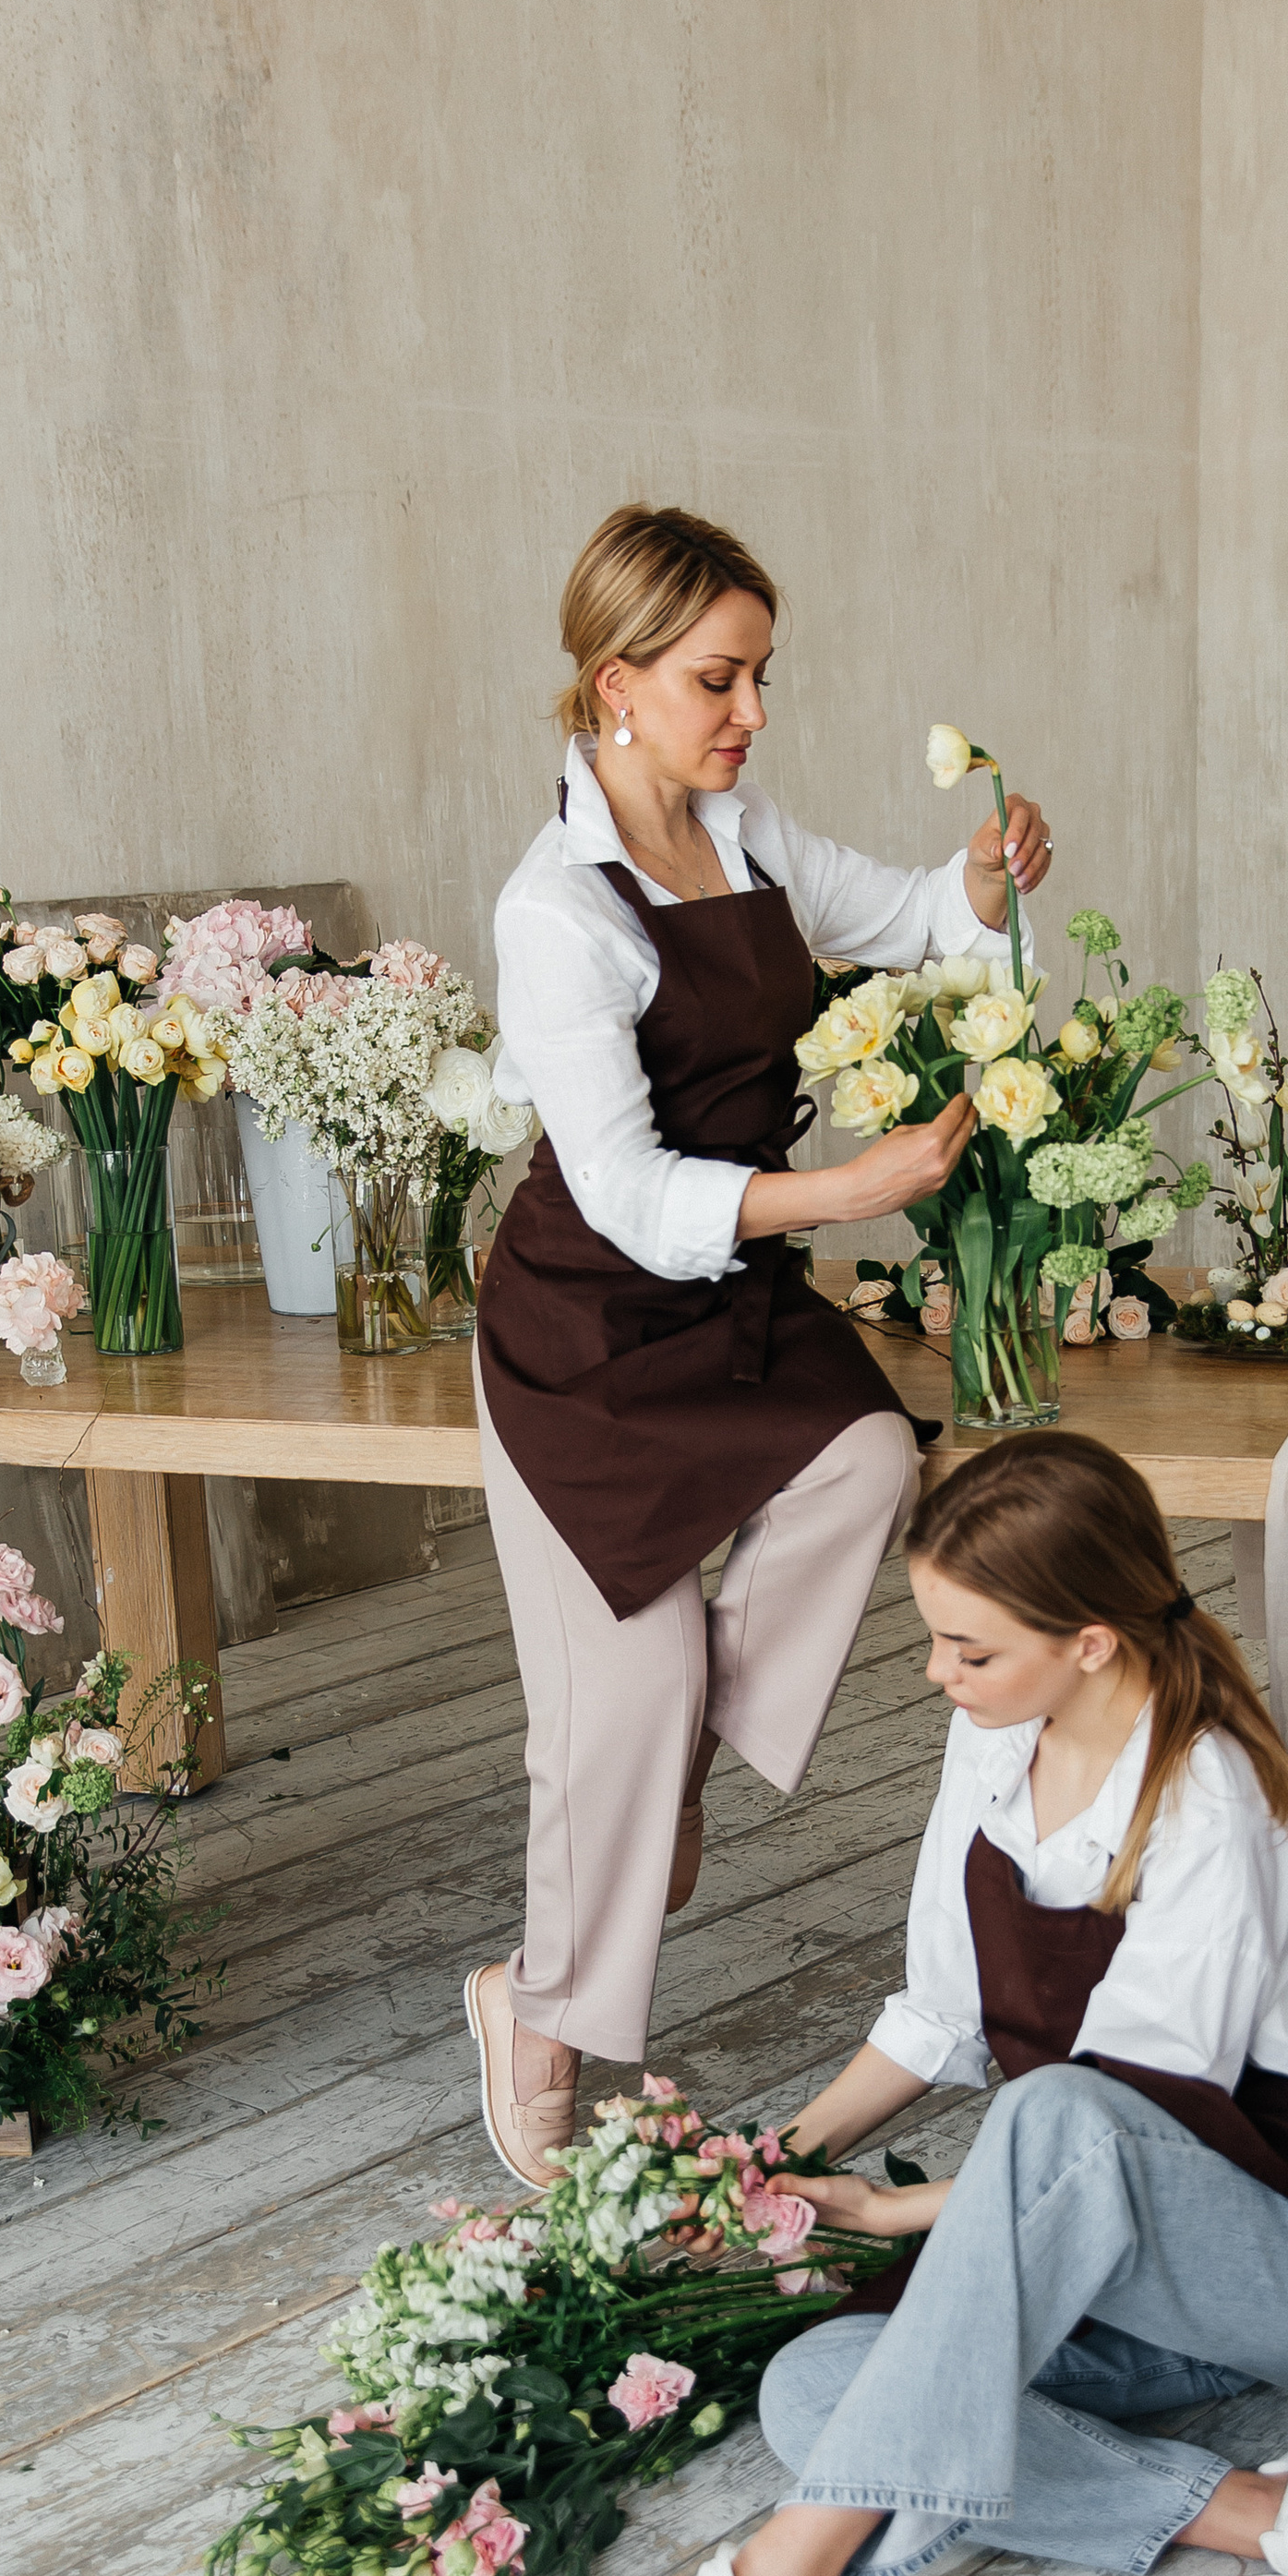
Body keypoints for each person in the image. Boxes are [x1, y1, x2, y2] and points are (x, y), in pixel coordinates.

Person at [530, 1434, 1288, 2576]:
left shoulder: (1209, 1801)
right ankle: (1270, 2513)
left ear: (1089, 1642)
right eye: (935, 1641)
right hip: (1098, 2246)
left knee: (1058, 2118)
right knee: (816, 2390)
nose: (936, 1675)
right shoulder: (993, 1743)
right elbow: (935, 2017)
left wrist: (895, 2212)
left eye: (970, 1650)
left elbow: (1122, 2125)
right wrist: (777, 2169)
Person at [466, 504, 1053, 2179]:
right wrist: (847, 1188)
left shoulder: (749, 834)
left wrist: (983, 880)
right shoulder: (554, 911)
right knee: (623, 1678)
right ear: (615, 687)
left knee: (874, 1458)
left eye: (759, 675)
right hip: (586, 1335)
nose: (752, 711)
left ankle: (668, 1771)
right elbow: (640, 1200)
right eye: (721, 678)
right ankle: (541, 2013)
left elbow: (912, 913)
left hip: (727, 1306)